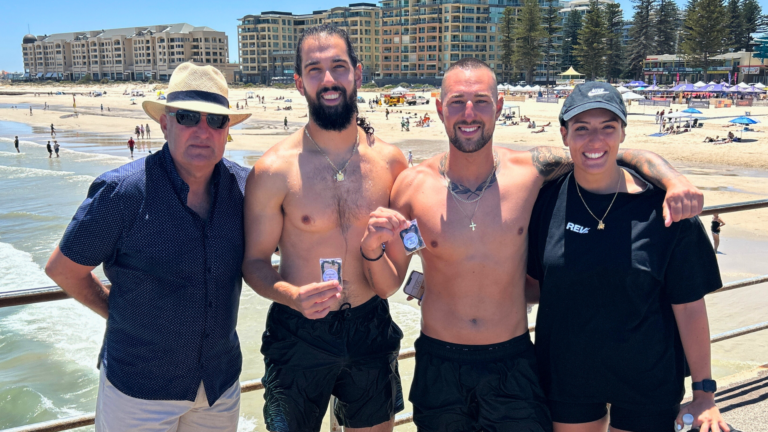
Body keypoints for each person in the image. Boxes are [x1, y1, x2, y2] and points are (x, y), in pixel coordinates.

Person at [360, 59, 703, 432]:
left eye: (481, 101)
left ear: (499, 106)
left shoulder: (531, 171)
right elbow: (387, 285)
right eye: (457, 102)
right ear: (440, 108)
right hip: (439, 360)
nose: (469, 113)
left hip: (512, 359)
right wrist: (371, 249)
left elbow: (603, 152)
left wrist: (673, 179)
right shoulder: (412, 185)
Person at [44, 62, 252, 432]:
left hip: (218, 387)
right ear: (165, 123)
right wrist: (116, 312)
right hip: (139, 389)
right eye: (188, 117)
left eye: (216, 120)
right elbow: (63, 269)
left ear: (227, 130)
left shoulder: (247, 190)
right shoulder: (121, 193)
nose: (203, 130)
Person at [526, 82, 728, 432]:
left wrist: (704, 394)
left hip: (648, 377)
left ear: (622, 133)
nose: (595, 140)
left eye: (608, 127)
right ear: (564, 135)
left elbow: (690, 307)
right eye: (582, 128)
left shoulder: (667, 210)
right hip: (566, 373)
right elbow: (531, 286)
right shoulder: (544, 201)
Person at [242, 24, 408, 432]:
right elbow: (255, 262)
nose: (328, 79)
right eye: (314, 70)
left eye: (338, 66)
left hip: (371, 326)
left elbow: (398, 269)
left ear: (358, 74)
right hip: (298, 331)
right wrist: (292, 295)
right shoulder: (273, 170)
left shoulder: (391, 163)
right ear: (299, 82)